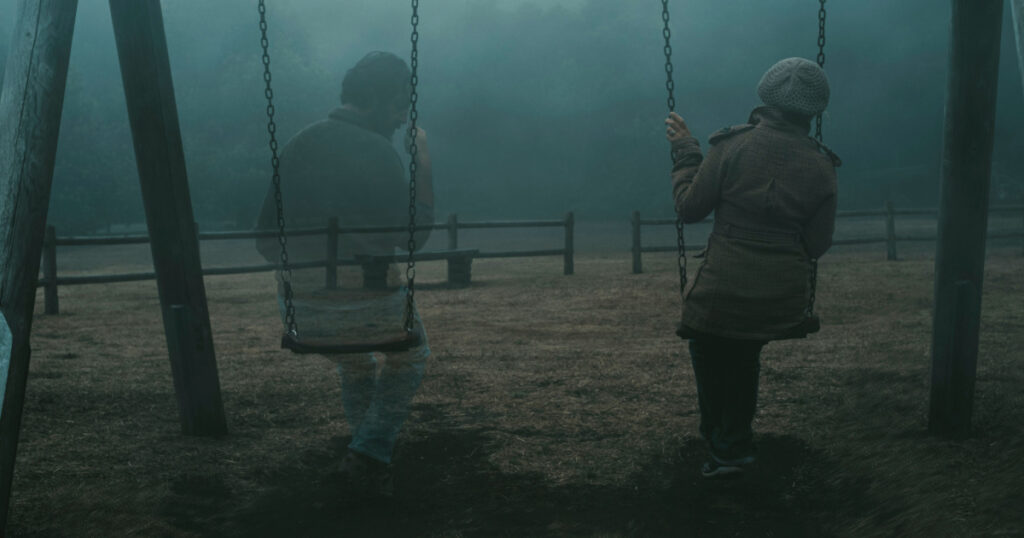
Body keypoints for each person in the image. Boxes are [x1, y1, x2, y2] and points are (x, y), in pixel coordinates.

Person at [256, 51, 435, 496]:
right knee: (411, 354)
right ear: (374, 99)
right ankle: (371, 451)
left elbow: (264, 239)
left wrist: (310, 268)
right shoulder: (380, 152)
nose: (401, 119)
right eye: (398, 105)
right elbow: (416, 238)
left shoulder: (301, 141)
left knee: (354, 363)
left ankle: (364, 454)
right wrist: (424, 161)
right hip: (371, 305)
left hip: (302, 309)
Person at [664, 57, 840, 478]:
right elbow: (817, 245)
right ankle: (730, 442)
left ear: (765, 96)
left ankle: (725, 442)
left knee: (708, 345)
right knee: (744, 353)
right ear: (813, 110)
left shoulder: (732, 146)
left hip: (721, 290)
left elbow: (690, 209)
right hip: (779, 297)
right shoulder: (821, 166)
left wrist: (686, 151)